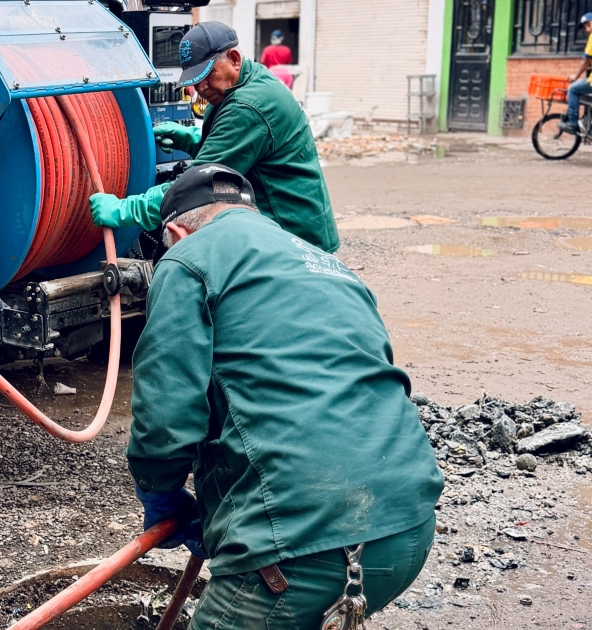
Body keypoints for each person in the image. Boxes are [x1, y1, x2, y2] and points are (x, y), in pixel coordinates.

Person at [126, 164, 443, 630]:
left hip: (309, 544)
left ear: (174, 231)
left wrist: (161, 491)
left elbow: (165, 407)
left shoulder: (188, 257)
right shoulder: (328, 264)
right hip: (408, 525)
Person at [91, 22, 338, 253]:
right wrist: (192, 140)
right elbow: (246, 150)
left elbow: (196, 189)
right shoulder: (246, 80)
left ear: (234, 59)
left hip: (292, 235)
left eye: (208, 75)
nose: (201, 88)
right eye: (195, 81)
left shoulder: (247, 108)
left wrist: (126, 209)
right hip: (294, 224)